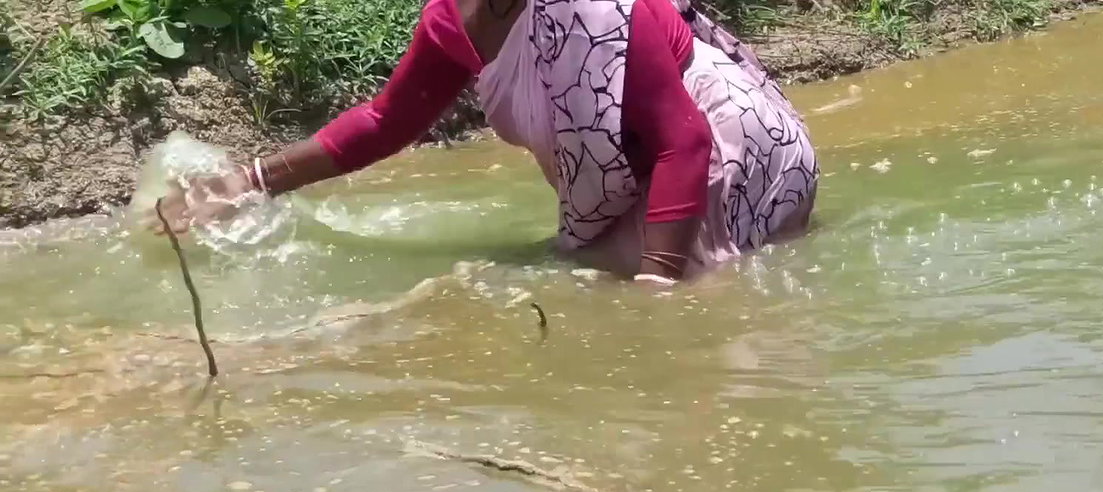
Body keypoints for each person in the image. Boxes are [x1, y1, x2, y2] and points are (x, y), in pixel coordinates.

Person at [152, 0, 819, 284]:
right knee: (586, 279)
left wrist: (657, 291)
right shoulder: (456, 18)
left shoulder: (603, 9)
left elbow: (685, 143)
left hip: (730, 142)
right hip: (646, 161)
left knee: (678, 299)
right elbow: (387, 121)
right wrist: (251, 181)